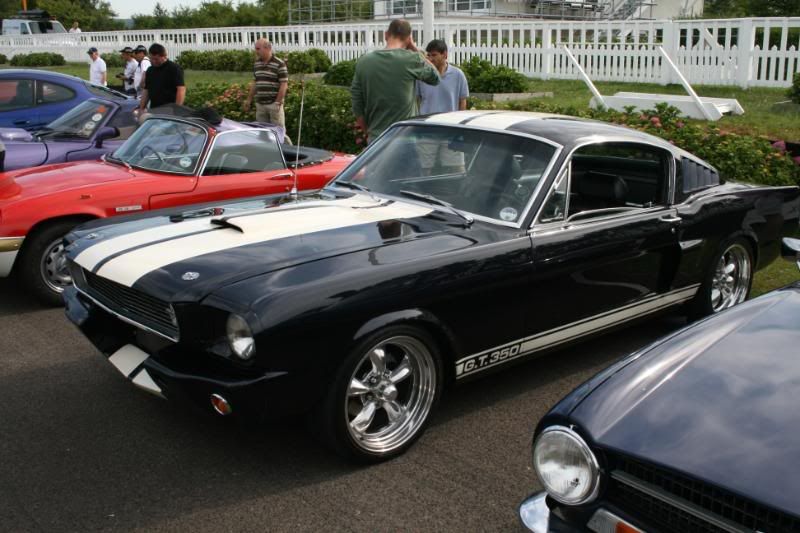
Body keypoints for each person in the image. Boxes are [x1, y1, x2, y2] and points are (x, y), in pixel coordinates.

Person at [350, 19, 440, 143]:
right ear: (408, 38)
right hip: (406, 138)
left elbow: (357, 102)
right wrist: (414, 48)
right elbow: (435, 78)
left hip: (376, 138)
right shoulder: (411, 59)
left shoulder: (364, 61)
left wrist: (368, 131)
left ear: (386, 35)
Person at [243, 38, 289, 138]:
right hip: (260, 105)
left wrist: (277, 102)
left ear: (267, 48)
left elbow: (284, 84)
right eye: (255, 48)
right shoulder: (257, 63)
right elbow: (255, 82)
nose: (256, 51)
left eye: (258, 49)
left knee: (278, 134)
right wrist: (249, 100)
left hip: (274, 105)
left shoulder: (279, 64)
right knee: (263, 135)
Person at [416, 40, 469, 115]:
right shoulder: (422, 75)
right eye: (428, 55)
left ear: (444, 54)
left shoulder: (458, 75)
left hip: (449, 121)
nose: (430, 59)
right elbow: (416, 100)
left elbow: (462, 101)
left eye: (434, 55)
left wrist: (459, 120)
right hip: (426, 121)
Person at [138, 43, 185, 112]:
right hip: (154, 109)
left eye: (156, 59)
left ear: (164, 56)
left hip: (170, 109)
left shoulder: (174, 68)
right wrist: (141, 108)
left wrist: (177, 109)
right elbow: (146, 91)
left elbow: (181, 89)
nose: (153, 61)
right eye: (151, 59)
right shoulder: (150, 70)